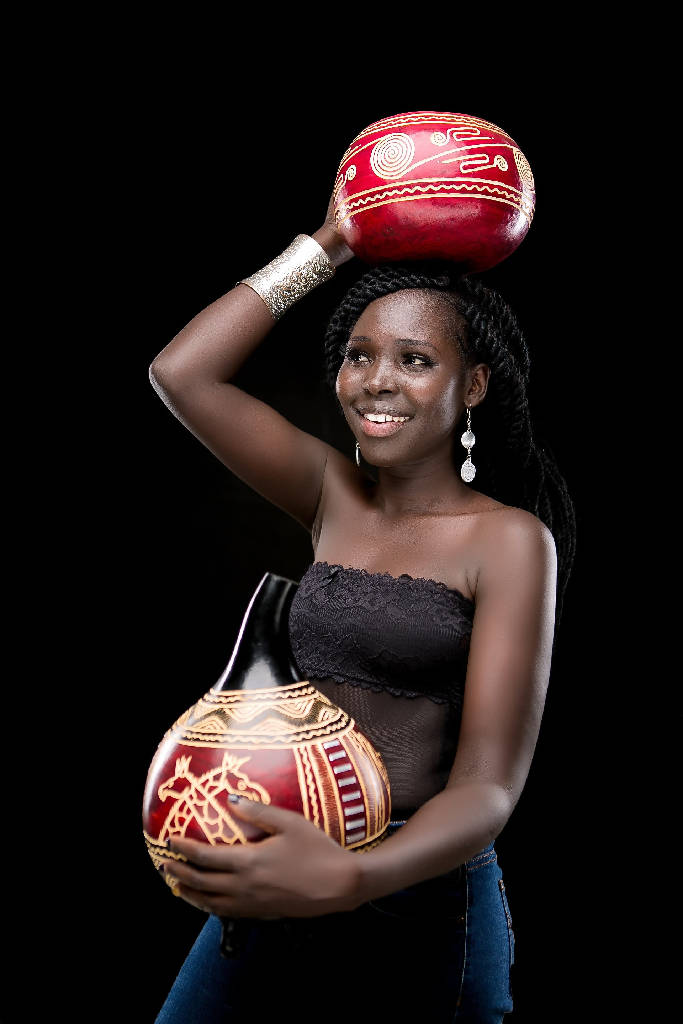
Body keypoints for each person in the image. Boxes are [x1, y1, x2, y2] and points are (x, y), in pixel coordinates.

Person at [148, 187, 575, 1023]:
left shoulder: (509, 541)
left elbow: (487, 785)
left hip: (418, 907)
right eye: (358, 355)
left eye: (415, 360)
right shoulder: (331, 495)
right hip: (277, 873)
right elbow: (181, 373)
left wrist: (351, 876)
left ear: (473, 385)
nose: (376, 381)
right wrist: (330, 243)